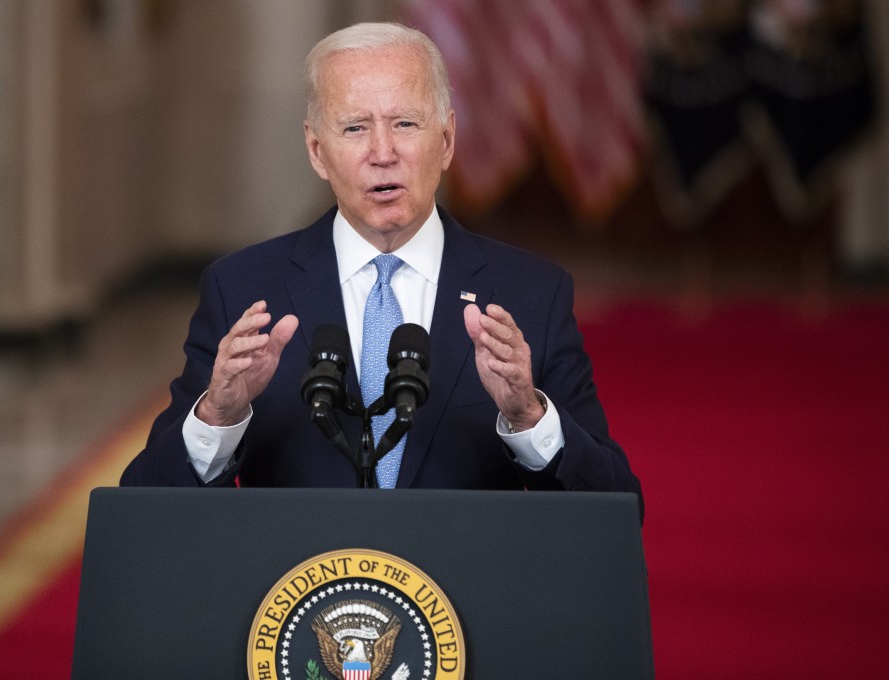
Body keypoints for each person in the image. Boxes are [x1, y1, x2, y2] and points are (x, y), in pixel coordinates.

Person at [120, 22, 642, 518]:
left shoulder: (531, 295)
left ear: (446, 140)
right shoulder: (243, 290)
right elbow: (142, 505)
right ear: (317, 151)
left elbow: (617, 507)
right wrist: (219, 416)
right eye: (354, 128)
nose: (382, 152)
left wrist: (530, 418)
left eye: (405, 124)